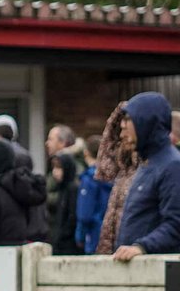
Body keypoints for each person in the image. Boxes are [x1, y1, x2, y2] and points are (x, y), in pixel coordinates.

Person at [110, 92, 180, 261]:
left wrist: (142, 246)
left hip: (157, 277)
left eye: (128, 122)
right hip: (137, 274)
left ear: (147, 123)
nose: (121, 134)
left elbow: (176, 224)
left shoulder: (172, 166)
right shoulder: (148, 164)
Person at [94, 103, 140, 255]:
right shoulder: (123, 170)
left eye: (127, 127)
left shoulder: (148, 168)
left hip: (137, 254)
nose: (121, 135)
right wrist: (117, 116)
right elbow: (104, 168)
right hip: (115, 252)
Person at [75, 135, 112, 254]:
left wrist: (80, 237)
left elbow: (84, 213)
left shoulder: (89, 179)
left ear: (86, 153)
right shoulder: (114, 176)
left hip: (93, 236)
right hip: (112, 235)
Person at [47, 152, 82, 254]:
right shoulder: (61, 189)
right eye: (54, 168)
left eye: (59, 168)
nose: (55, 172)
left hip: (68, 245)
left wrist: (62, 235)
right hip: (59, 243)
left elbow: (72, 217)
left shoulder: (72, 189)